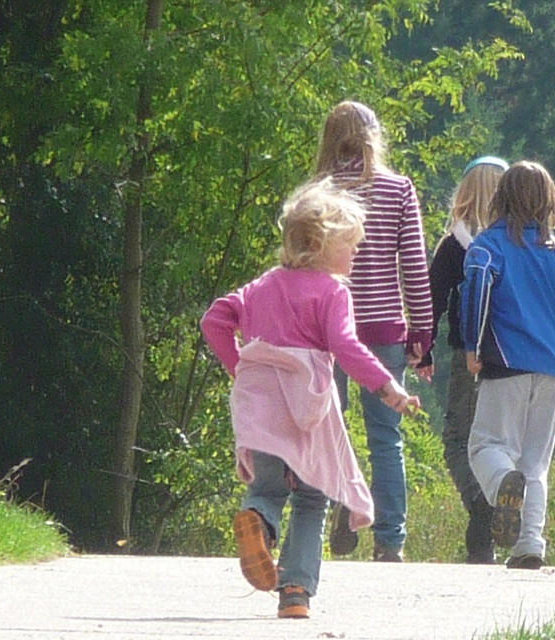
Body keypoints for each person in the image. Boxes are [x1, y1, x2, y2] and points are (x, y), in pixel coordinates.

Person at [200, 179, 422, 618]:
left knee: (265, 487)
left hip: (260, 406)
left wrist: (242, 368)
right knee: (311, 498)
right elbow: (346, 346)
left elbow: (214, 321)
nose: (357, 254)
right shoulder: (332, 291)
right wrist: (387, 386)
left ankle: (259, 525)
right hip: (308, 409)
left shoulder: (260, 286)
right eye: (353, 245)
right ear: (322, 244)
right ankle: (296, 591)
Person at [313, 100, 434, 563]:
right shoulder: (398, 189)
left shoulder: (317, 193)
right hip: (383, 326)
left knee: (329, 428)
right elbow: (415, 269)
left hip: (325, 327)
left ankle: (338, 511)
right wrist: (422, 335)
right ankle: (390, 539)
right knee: (386, 435)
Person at [461, 161, 555, 570]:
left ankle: (503, 483)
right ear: (549, 201)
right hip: (553, 367)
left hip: (505, 362)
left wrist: (472, 344)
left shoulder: (488, 246)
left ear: (502, 198)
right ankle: (529, 543)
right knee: (536, 461)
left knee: (486, 446)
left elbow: (478, 290)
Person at [424, 155, 508, 564]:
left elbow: (433, 304)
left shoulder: (453, 246)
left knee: (458, 440)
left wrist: (422, 351)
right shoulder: (521, 244)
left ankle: (481, 506)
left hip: (467, 354)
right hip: (515, 358)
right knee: (500, 443)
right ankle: (496, 518)